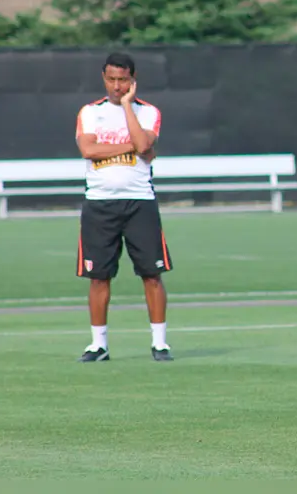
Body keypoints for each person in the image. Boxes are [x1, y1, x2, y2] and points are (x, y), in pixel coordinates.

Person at [74, 52, 174, 363]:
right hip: (100, 203)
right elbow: (89, 149)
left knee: (151, 273)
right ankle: (98, 344)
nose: (117, 86)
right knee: (99, 276)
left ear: (133, 80)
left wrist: (129, 107)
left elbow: (146, 144)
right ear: (103, 79)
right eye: (111, 79)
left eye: (123, 80)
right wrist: (134, 144)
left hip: (139, 202)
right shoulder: (91, 113)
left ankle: (160, 343)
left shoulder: (147, 112)